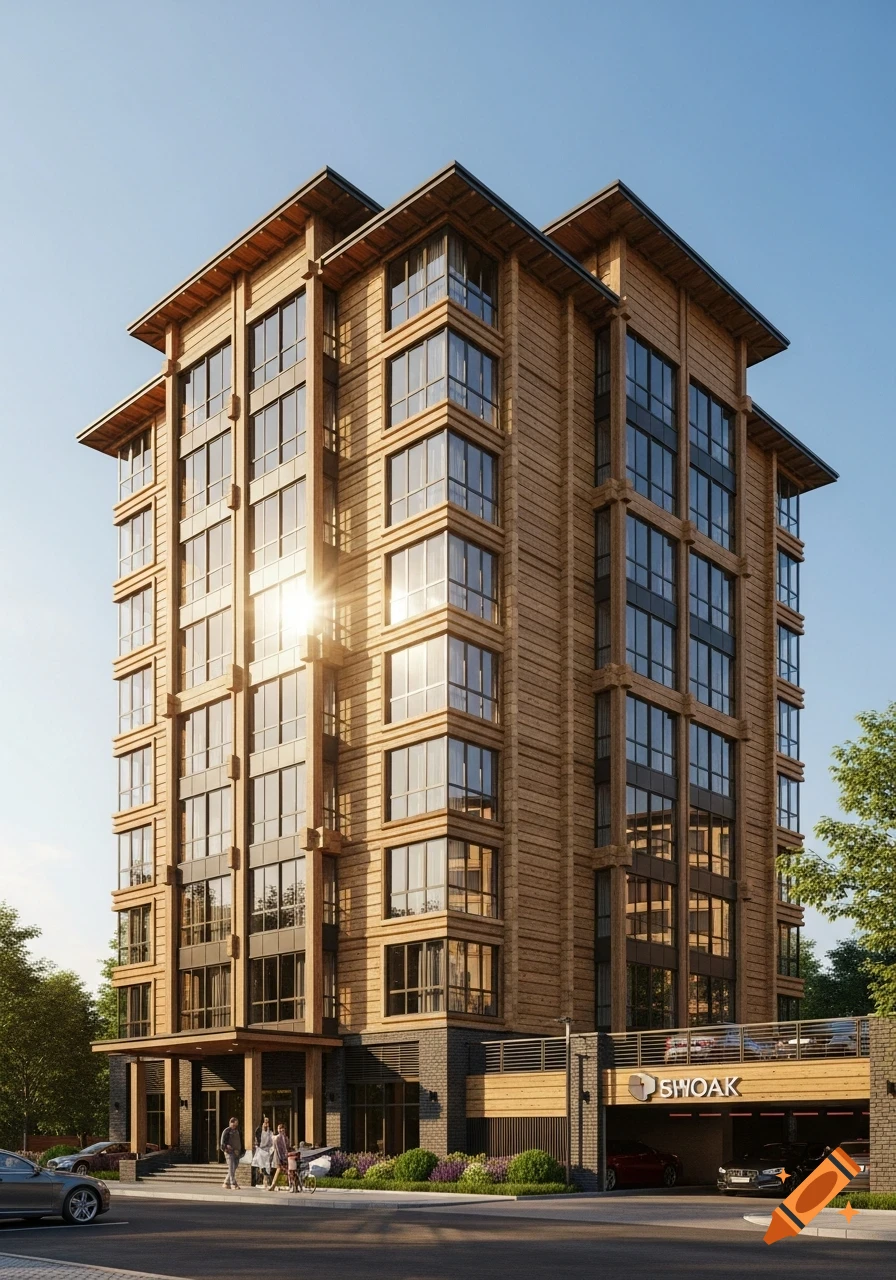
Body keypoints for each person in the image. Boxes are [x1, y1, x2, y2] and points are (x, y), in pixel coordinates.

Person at [220, 1115, 243, 1190]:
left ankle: (226, 1182)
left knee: (234, 1167)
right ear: (230, 1123)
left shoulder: (238, 1131)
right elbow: (222, 1142)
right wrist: (226, 1147)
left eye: (236, 1124)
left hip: (237, 1152)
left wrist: (241, 1151)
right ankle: (233, 1183)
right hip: (229, 1152)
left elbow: (241, 1141)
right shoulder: (227, 1131)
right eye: (233, 1124)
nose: (235, 1126)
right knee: (231, 1167)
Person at [251, 1117, 274, 1189]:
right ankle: (258, 1181)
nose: (266, 1124)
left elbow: (272, 1141)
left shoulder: (270, 1132)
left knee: (267, 1166)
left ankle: (266, 1181)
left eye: (268, 1122)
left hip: (267, 1151)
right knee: (260, 1165)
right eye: (265, 1122)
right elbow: (257, 1141)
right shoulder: (259, 1130)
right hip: (260, 1151)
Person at [268, 1122, 289, 1191]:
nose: (280, 1130)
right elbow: (274, 1145)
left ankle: (274, 1185)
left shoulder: (285, 1138)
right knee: (279, 1169)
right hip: (278, 1155)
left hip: (284, 1156)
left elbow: (287, 1147)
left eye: (281, 1128)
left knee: (284, 1169)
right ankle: (273, 1185)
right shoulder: (276, 1137)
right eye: (279, 1128)